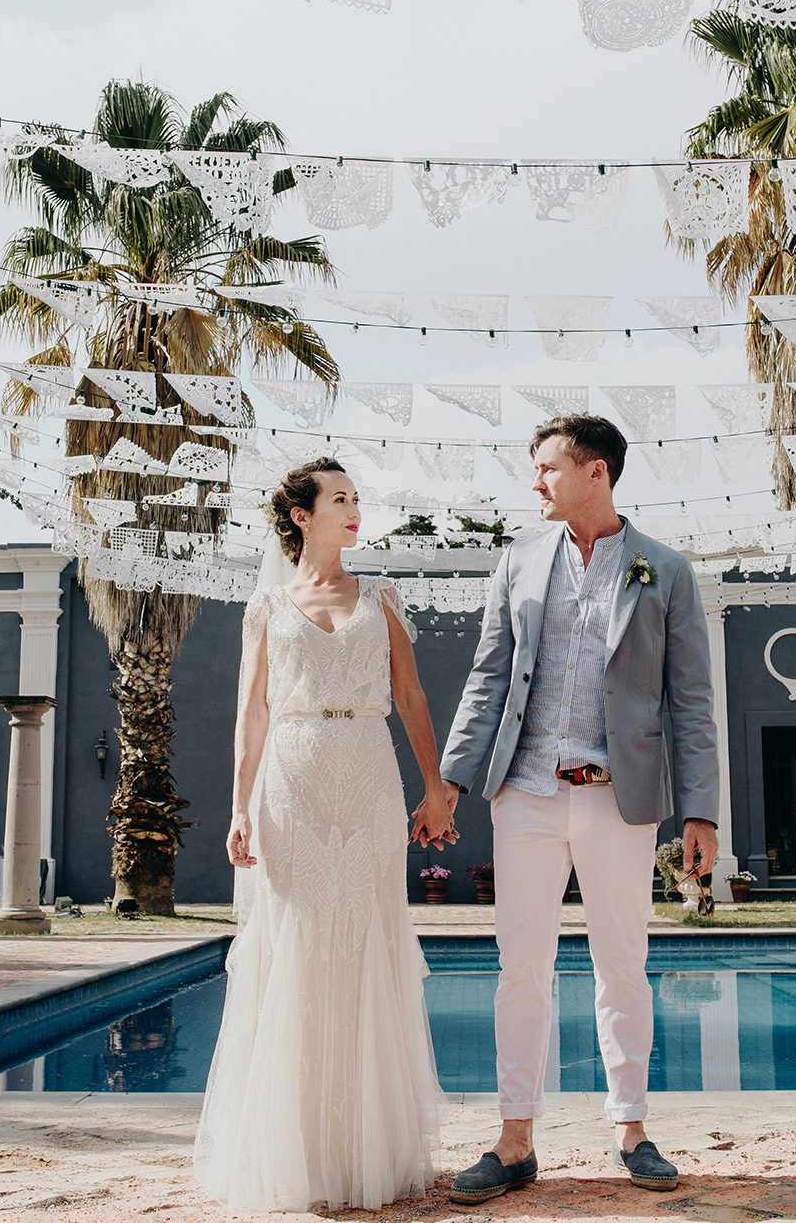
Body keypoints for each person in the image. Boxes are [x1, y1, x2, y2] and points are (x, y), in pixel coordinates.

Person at [438, 414, 721, 1204]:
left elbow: (690, 700)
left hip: (620, 801)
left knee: (621, 966)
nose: (535, 483)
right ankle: (515, 1139)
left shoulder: (664, 570)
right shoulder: (519, 559)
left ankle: (631, 1129)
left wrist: (700, 810)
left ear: (596, 472)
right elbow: (488, 676)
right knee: (519, 969)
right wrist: (452, 780)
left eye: (547, 468)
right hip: (524, 794)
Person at [193, 457, 460, 1213]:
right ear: (302, 516)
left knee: (368, 940)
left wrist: (435, 788)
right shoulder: (266, 608)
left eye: (356, 499)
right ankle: (296, 1154)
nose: (354, 510)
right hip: (293, 777)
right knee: (297, 948)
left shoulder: (382, 597)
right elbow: (252, 713)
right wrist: (240, 807)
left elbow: (410, 696)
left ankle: (367, 1150)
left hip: (369, 773)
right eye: (339, 499)